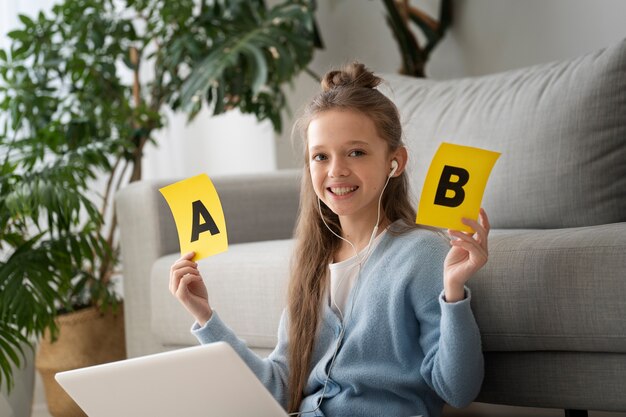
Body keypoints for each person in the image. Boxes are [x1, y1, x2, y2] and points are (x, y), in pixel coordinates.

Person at [169, 62, 490, 417]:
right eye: (321, 156)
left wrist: (454, 293)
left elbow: (458, 390)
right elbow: (279, 388)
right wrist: (205, 317)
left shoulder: (421, 253)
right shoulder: (313, 264)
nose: (336, 170)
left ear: (394, 162)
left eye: (356, 152)